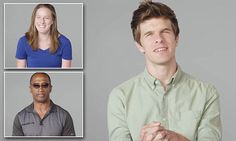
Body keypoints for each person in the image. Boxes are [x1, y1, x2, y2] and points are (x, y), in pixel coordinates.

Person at [107, 1, 222, 141]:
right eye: (149, 34)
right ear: (139, 45)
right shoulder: (120, 97)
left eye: (165, 32)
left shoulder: (207, 93)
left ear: (177, 38)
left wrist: (177, 139)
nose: (159, 40)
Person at [16, 4, 72, 68]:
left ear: (52, 21)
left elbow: (65, 75)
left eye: (46, 18)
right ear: (34, 19)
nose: (42, 21)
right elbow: (21, 72)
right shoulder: (23, 41)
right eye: (38, 17)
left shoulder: (65, 43)